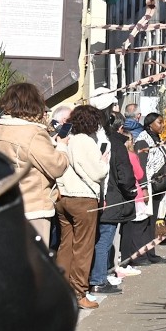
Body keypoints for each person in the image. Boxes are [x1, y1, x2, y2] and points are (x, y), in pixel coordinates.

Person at [0, 82, 71, 242]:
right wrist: (62, 146)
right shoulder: (32, 133)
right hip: (32, 208)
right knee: (34, 257)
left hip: (4, 205)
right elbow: (57, 166)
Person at [53, 104, 110, 310]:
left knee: (66, 245)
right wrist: (104, 162)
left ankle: (60, 289)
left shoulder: (65, 139)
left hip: (63, 197)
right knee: (83, 248)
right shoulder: (86, 141)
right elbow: (98, 172)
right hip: (83, 198)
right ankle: (79, 293)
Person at [91, 122, 138, 294]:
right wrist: (131, 192)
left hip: (95, 197)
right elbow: (125, 175)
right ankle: (98, 280)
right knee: (103, 241)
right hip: (111, 199)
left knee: (95, 241)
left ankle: (95, 277)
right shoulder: (116, 145)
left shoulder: (90, 140)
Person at [128, 112, 166, 265]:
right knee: (144, 222)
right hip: (149, 186)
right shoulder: (143, 141)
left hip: (159, 187)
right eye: (159, 122)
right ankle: (140, 255)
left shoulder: (157, 139)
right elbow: (142, 165)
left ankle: (151, 253)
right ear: (150, 124)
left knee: (153, 222)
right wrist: (144, 187)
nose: (162, 125)